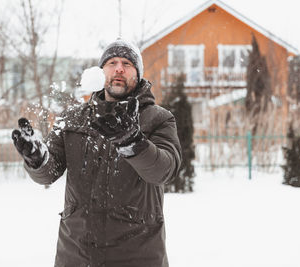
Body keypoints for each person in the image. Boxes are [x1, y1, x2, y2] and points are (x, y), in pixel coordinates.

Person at [12, 38, 182, 267]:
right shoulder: (72, 118)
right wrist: (38, 160)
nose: (119, 68)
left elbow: (164, 170)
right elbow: (49, 173)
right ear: (101, 71)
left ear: (138, 74)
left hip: (137, 254)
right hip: (76, 254)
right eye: (112, 62)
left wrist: (133, 142)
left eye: (127, 63)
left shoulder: (158, 119)